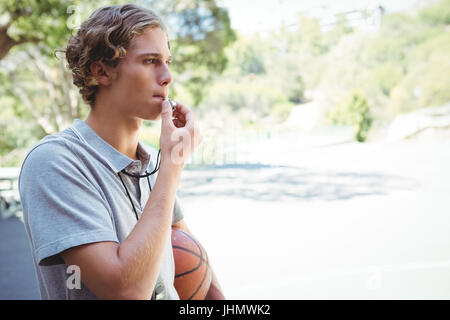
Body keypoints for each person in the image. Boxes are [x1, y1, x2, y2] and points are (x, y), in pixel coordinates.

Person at [18, 4, 224, 300]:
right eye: (151, 61)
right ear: (102, 71)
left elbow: (195, 257)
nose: (167, 76)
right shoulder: (54, 162)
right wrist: (173, 166)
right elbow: (126, 291)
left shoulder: (152, 163)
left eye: (167, 61)